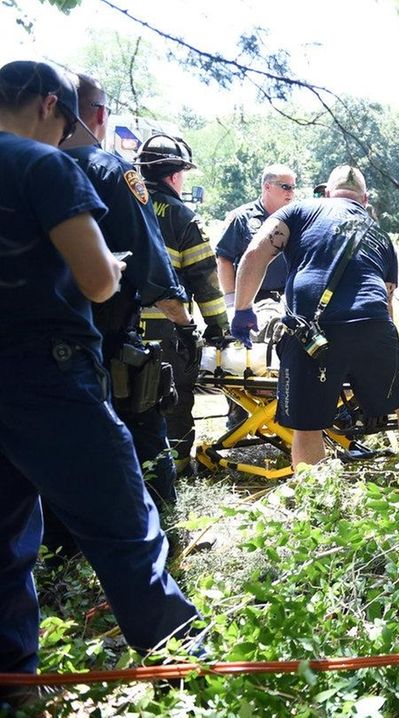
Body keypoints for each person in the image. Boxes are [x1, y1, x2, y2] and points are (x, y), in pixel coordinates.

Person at [0, 60, 198, 696]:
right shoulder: (43, 164)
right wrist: (109, 264)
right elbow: (95, 279)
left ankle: (13, 683)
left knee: (5, 540)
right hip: (46, 372)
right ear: (52, 106)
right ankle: (186, 663)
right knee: (123, 521)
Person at [230, 165, 399, 468]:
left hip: (311, 330)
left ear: (327, 192)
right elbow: (386, 299)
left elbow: (256, 252)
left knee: (307, 425)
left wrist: (242, 308)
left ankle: (314, 498)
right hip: (373, 324)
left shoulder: (297, 211)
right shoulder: (379, 233)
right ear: (365, 199)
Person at [60, 73, 189, 507]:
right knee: (144, 436)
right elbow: (152, 268)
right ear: (99, 115)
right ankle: (163, 531)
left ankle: (59, 553)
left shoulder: (19, 168)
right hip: (104, 344)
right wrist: (185, 323)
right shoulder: (111, 171)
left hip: (30, 345)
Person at [136, 133, 231, 474]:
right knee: (173, 399)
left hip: (116, 327)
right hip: (167, 330)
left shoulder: (116, 206)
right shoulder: (182, 216)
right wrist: (219, 328)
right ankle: (175, 469)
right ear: (175, 176)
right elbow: (205, 282)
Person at [216, 163, 296, 305]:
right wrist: (231, 300)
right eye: (285, 187)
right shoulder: (242, 217)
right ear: (267, 186)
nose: (290, 192)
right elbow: (224, 259)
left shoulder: (297, 217)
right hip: (251, 298)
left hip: (288, 298)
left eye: (293, 187)